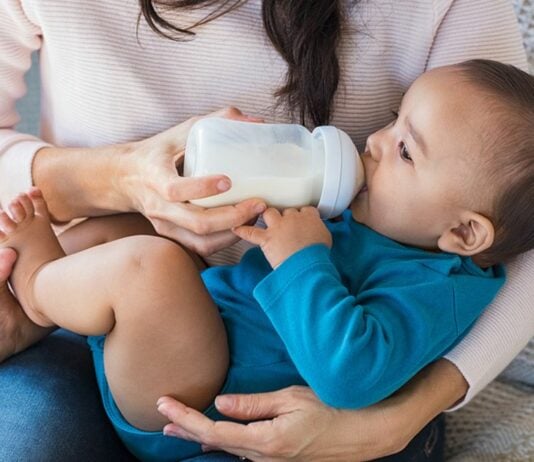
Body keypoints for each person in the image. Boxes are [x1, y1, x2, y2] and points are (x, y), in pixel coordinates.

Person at [0, 1, 532, 460]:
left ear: (465, 235)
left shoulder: (435, 288)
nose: (371, 140)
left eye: (405, 149)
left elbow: (349, 375)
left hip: (204, 407)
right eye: (392, 118)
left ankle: (38, 289)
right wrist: (118, 177)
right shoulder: (394, 227)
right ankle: (32, 306)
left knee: (148, 267)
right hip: (194, 335)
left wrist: (304, 263)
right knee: (122, 229)